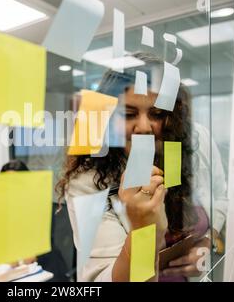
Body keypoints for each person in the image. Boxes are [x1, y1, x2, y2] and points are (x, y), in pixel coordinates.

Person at [57, 53, 217, 282]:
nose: (144, 127)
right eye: (128, 114)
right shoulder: (88, 182)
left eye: (157, 114)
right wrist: (143, 229)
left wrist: (207, 244)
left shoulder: (187, 148)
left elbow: (219, 203)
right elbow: (103, 277)